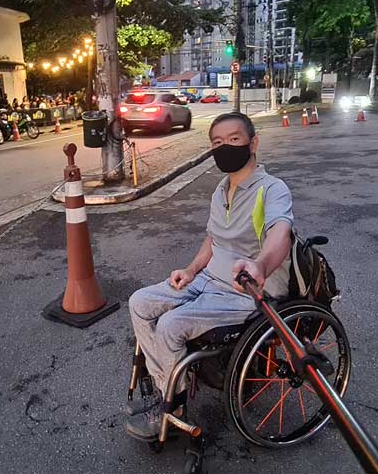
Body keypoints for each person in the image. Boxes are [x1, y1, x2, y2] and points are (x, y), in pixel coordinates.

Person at [125, 112, 293, 440]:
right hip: (206, 280)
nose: (225, 147)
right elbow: (212, 239)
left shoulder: (272, 189)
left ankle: (171, 408)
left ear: (253, 142)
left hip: (244, 290)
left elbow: (280, 234)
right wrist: (190, 270)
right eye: (217, 143)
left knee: (172, 325)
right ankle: (167, 390)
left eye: (234, 140)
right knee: (140, 302)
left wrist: (259, 266)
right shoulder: (220, 190)